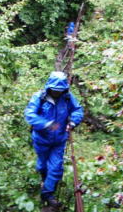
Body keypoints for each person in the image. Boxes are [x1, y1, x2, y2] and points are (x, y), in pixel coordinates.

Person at [24, 71, 84, 207]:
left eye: (60, 90)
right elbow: (29, 114)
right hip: (41, 139)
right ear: (49, 88)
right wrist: (46, 124)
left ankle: (47, 194)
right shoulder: (39, 97)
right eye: (55, 90)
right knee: (42, 166)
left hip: (59, 140)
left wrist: (73, 122)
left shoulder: (67, 98)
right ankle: (44, 180)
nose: (57, 93)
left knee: (56, 167)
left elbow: (78, 110)